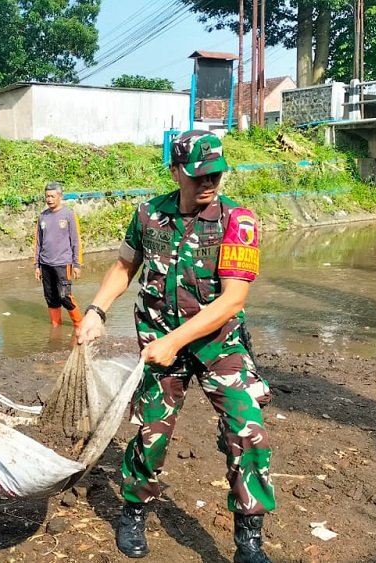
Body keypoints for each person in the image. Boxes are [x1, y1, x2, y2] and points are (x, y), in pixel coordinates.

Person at [76, 131, 275, 563]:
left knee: (248, 429)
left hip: (220, 345)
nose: (209, 183)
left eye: (216, 174)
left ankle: (249, 538)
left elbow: (233, 299)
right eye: (199, 175)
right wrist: (96, 310)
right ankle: (134, 509)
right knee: (151, 433)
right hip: (159, 340)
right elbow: (124, 266)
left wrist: (175, 341)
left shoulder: (237, 221)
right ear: (175, 172)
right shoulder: (149, 215)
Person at [34, 181, 83, 329]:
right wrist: (37, 265)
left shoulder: (69, 215)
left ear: (60, 197)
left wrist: (77, 264)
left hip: (63, 263)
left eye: (52, 196)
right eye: (47, 196)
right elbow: (38, 242)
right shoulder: (42, 216)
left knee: (64, 296)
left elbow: (76, 240)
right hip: (45, 264)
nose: (49, 199)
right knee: (50, 297)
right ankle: (56, 328)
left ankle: (80, 324)